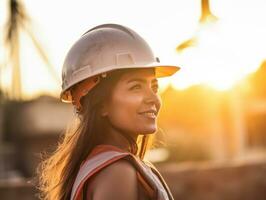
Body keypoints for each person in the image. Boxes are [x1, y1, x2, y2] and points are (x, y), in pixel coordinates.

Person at [37, 23, 180, 200]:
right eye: (136, 87)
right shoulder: (117, 172)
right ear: (101, 103)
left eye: (154, 87)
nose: (153, 98)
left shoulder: (100, 166)